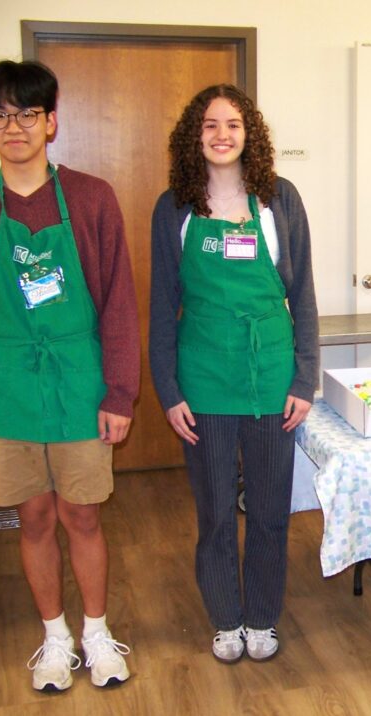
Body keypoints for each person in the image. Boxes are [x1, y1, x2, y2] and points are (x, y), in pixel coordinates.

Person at [0, 60, 139, 692]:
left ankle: (98, 635)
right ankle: (55, 638)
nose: (13, 125)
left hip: (79, 380)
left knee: (82, 516)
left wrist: (120, 392)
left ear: (51, 121)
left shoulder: (91, 197)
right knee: (35, 518)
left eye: (27, 112)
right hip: (8, 385)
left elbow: (119, 304)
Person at [149, 84, 319, 664]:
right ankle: (225, 617)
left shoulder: (280, 201)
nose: (222, 135)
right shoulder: (173, 207)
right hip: (204, 382)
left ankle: (262, 617)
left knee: (270, 511)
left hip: (272, 377)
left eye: (234, 125)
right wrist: (169, 391)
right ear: (194, 137)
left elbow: (304, 296)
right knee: (216, 510)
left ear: (251, 135)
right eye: (210, 125)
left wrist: (304, 380)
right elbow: (161, 306)